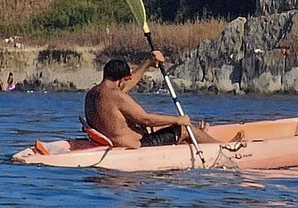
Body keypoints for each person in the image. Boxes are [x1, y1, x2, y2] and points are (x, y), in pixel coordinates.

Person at [84, 52, 218, 148]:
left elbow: (128, 83)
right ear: (121, 81)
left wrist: (148, 63)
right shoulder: (118, 97)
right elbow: (145, 119)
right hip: (136, 144)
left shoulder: (92, 94)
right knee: (183, 128)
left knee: (163, 125)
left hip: (113, 140)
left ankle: (199, 136)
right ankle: (220, 147)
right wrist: (178, 119)